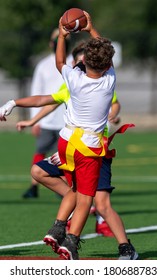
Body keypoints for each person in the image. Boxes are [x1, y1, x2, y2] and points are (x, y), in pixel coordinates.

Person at [0, 11, 139, 260]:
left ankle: (58, 226)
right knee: (86, 199)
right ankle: (71, 242)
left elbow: (59, 62)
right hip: (90, 147)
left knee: (75, 189)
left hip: (67, 143)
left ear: (84, 61)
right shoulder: (109, 81)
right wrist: (90, 27)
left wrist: (62, 36)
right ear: (108, 64)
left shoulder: (73, 79)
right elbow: (103, 52)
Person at [22, 28, 72, 199]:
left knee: (65, 156)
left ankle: (64, 187)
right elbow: (37, 92)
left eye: (64, 40)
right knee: (41, 151)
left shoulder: (74, 63)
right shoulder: (43, 65)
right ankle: (34, 186)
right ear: (52, 44)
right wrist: (34, 120)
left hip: (67, 121)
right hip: (46, 119)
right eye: (57, 40)